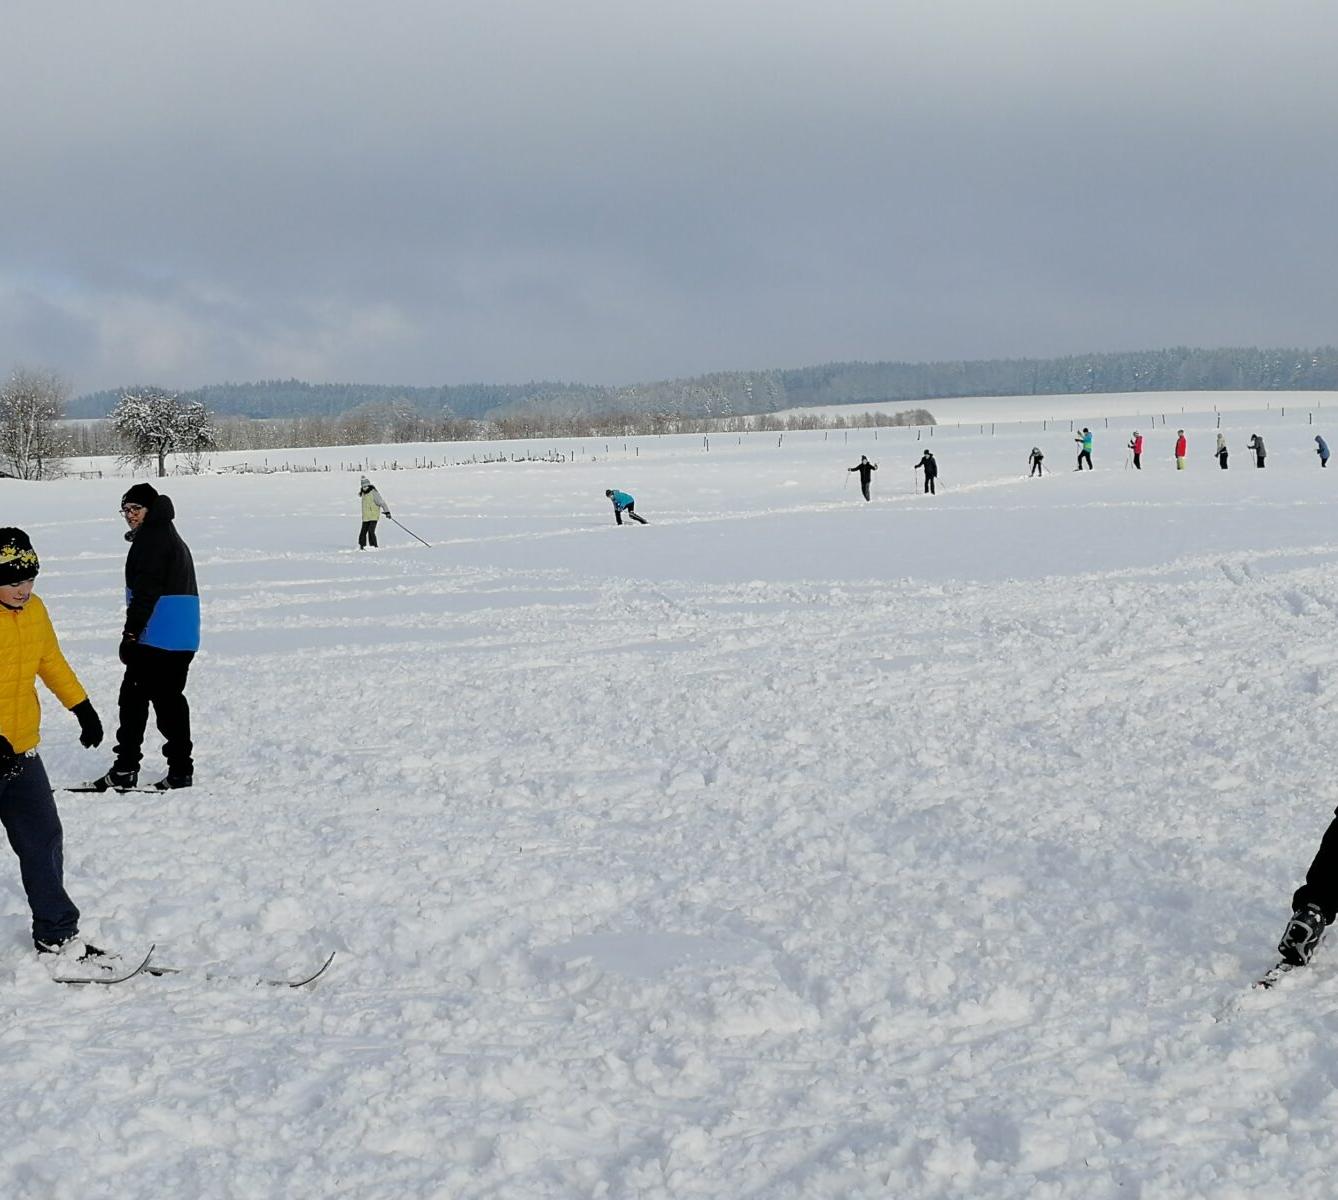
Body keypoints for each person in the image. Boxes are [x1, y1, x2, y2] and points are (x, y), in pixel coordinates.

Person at [0, 529, 108, 957]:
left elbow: (49, 660)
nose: (24, 590)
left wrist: (80, 705)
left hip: (21, 751)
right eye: (13, 582)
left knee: (44, 839)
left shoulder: (36, 610)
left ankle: (57, 933)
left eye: (30, 580)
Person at [88, 484, 200, 792]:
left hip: (159, 636)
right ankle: (175, 770)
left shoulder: (152, 539)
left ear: (151, 509)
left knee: (140, 700)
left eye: (136, 509)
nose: (130, 516)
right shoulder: (167, 535)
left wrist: (131, 632)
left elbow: (147, 591)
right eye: (126, 510)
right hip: (179, 635)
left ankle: (132, 769)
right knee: (158, 700)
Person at [358, 476, 391, 549]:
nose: (365, 487)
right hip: (366, 516)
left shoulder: (373, 492)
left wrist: (387, 512)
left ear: (369, 485)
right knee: (363, 532)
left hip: (373, 516)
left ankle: (374, 546)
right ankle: (362, 546)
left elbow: (382, 502)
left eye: (366, 486)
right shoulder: (363, 493)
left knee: (371, 531)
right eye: (363, 486)